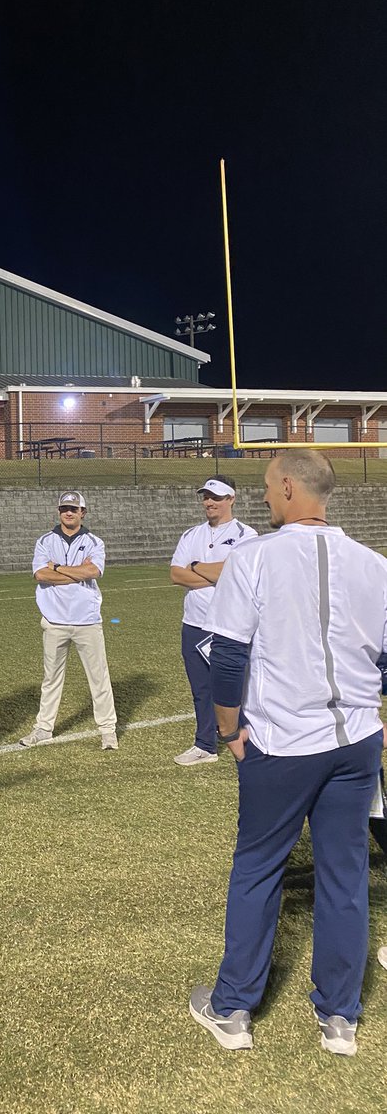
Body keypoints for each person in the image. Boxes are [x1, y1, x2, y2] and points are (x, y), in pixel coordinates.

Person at [188, 451, 387, 1056]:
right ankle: (339, 1018)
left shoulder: (253, 558)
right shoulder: (375, 564)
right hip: (356, 741)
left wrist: (228, 731)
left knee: (257, 868)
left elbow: (227, 656)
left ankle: (233, 1009)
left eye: (270, 486)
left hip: (282, 741)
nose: (265, 496)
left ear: (290, 485)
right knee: (344, 873)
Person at [19, 491, 118, 750]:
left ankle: (107, 730)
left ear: (83, 512)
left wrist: (57, 568)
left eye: (74, 509)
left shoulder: (95, 542)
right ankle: (43, 728)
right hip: (54, 620)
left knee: (99, 677)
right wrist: (75, 573)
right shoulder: (45, 541)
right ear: (58, 511)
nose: (69, 513)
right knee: (51, 678)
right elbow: (40, 575)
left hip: (87, 619)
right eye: (64, 508)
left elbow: (94, 571)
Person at [170, 476, 257, 766]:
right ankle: (205, 744)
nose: (209, 502)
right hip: (194, 623)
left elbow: (236, 574)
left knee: (239, 687)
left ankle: (249, 741)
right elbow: (175, 575)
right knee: (201, 689)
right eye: (206, 497)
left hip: (230, 624)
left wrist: (195, 567)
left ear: (231, 499)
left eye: (216, 497)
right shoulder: (191, 534)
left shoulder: (247, 535)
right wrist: (214, 574)